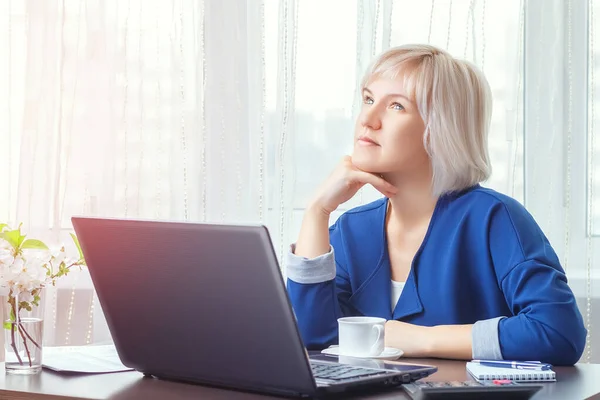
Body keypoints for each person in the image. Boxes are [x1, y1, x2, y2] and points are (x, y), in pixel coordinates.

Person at [285, 44, 587, 366]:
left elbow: (558, 331)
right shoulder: (351, 229)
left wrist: (417, 338)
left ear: (441, 127)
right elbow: (312, 337)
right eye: (369, 100)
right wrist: (317, 211)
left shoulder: (494, 219)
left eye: (397, 106)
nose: (368, 120)